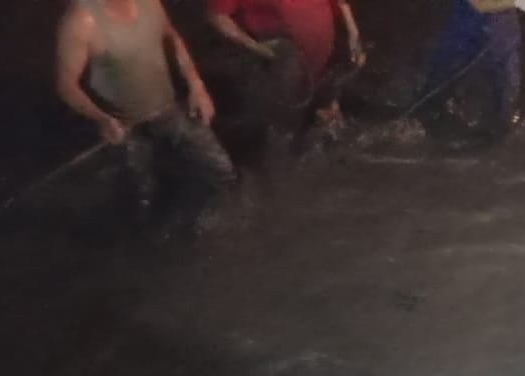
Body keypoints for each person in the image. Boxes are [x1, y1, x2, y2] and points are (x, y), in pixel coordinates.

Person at [56, 0, 235, 228]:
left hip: (168, 110)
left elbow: (172, 37)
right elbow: (67, 85)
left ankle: (213, 226)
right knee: (144, 200)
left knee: (221, 171)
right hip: (125, 127)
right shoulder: (82, 21)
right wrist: (102, 119)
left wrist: (196, 85)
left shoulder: (150, 3)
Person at [207, 0, 365, 145]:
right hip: (280, 62)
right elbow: (218, 16)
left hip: (325, 58)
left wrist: (353, 33)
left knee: (329, 118)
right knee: (284, 128)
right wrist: (254, 46)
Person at [423, 0, 525, 144]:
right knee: (451, 78)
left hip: (500, 32)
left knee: (506, 86)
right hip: (472, 32)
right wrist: (516, 2)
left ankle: (500, 126)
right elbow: (480, 4)